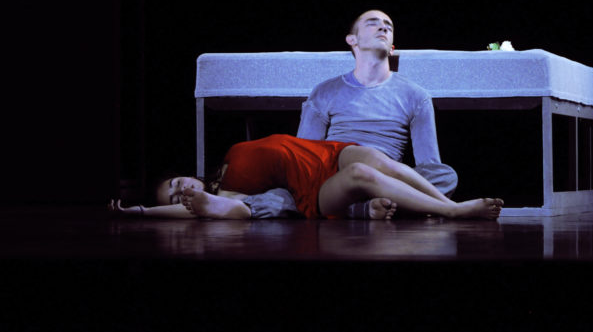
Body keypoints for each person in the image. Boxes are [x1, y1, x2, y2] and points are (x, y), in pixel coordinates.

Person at [242, 9, 460, 219]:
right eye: (373, 23)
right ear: (352, 40)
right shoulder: (325, 91)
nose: (383, 27)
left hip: (386, 179)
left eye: (388, 26)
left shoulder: (416, 95)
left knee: (444, 176)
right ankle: (363, 209)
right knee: (280, 196)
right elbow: (303, 156)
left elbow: (429, 164)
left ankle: (359, 209)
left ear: (392, 48)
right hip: (335, 179)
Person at [110, 134, 503, 220]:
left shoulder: (227, 157)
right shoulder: (226, 193)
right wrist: (141, 212)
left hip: (327, 153)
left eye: (176, 184)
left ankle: (445, 203)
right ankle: (454, 211)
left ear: (183, 175)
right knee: (363, 172)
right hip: (313, 191)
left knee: (375, 157)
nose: (181, 191)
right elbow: (194, 212)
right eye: (175, 196)